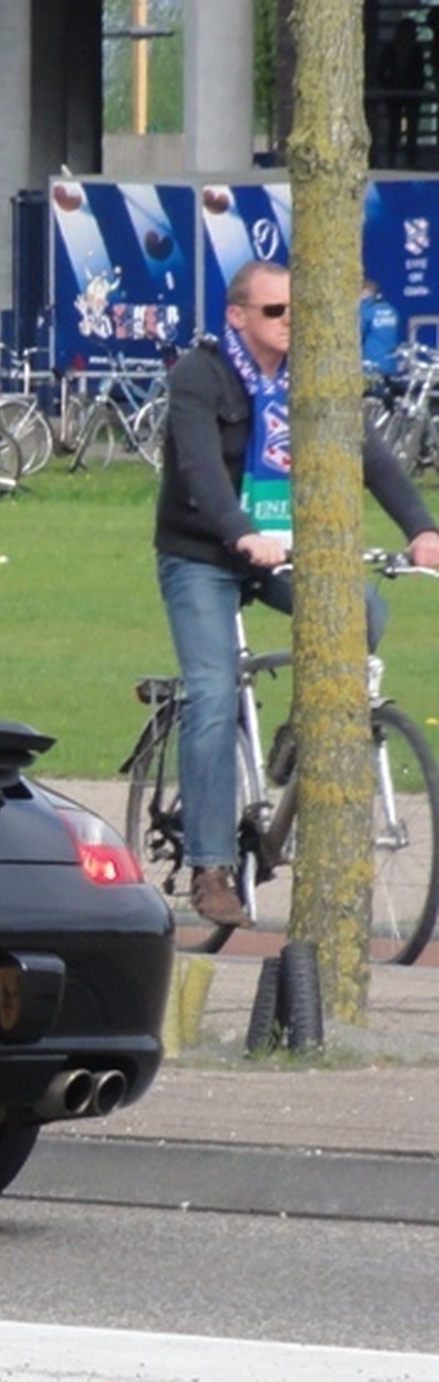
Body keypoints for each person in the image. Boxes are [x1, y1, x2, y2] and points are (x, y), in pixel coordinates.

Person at [155, 257, 439, 927]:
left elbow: (367, 452)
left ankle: (298, 736)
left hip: (286, 550)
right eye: (276, 313)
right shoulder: (201, 375)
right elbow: (198, 469)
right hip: (203, 552)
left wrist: (422, 528)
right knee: (213, 693)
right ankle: (211, 865)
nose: (290, 325)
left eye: (298, 312)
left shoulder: (314, 375)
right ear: (239, 316)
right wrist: (241, 531)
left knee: (363, 609)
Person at [361, 277, 404, 378]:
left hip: (370, 362)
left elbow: (357, 334)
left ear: (366, 291)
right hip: (390, 362)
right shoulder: (391, 309)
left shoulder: (365, 310)